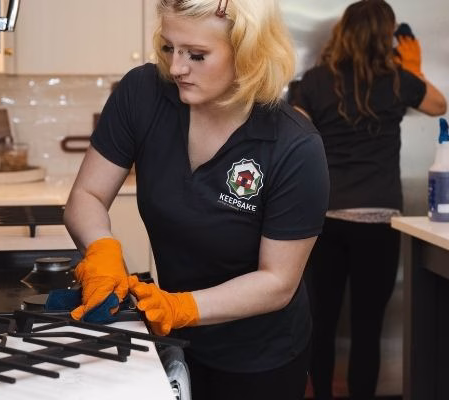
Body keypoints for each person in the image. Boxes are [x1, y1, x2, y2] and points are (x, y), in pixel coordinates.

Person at [63, 0, 329, 399]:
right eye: (169, 48)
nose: (176, 68)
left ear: (249, 54)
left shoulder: (294, 146)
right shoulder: (144, 93)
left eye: (197, 55)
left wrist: (179, 308)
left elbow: (277, 281)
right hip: (172, 341)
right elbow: (88, 194)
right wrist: (100, 249)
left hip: (259, 357)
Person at [290, 1, 447, 399]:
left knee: (321, 324)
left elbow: (296, 133)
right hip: (377, 222)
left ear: (343, 32)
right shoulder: (396, 80)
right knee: (367, 328)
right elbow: (438, 105)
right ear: (385, 37)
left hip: (323, 219)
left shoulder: (314, 80)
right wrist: (413, 68)